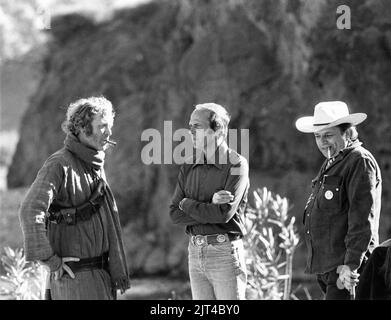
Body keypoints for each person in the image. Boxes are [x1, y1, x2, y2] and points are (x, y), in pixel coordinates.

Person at [19, 96, 130, 300]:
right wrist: (51, 261)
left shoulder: (93, 163)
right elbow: (30, 210)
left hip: (99, 277)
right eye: (103, 126)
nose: (110, 132)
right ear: (82, 128)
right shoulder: (59, 164)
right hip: (76, 281)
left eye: (110, 126)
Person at [295, 101, 382, 300]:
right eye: (317, 136)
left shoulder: (359, 161)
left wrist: (351, 265)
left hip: (345, 270)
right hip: (328, 267)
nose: (322, 142)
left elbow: (361, 220)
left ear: (348, 133)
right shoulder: (332, 161)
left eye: (328, 135)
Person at [169, 103, 249, 300]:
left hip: (224, 254)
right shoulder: (188, 165)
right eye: (190, 126)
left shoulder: (237, 164)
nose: (190, 131)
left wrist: (187, 204)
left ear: (218, 130)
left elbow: (224, 214)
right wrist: (208, 204)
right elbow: (174, 214)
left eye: (197, 126)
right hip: (195, 253)